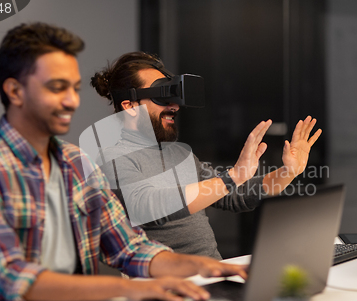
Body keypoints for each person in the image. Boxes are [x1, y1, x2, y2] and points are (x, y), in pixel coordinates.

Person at [0, 23, 247, 301]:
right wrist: (132, 289)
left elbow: (128, 247)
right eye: (56, 87)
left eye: (74, 88)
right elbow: (14, 279)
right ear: (15, 91)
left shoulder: (76, 163)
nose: (71, 101)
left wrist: (205, 267)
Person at [91, 51, 322, 260]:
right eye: (163, 96)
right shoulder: (113, 158)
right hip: (171, 287)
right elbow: (148, 206)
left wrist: (288, 172)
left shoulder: (180, 154)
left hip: (213, 274)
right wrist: (232, 176)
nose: (175, 106)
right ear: (130, 107)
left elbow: (236, 195)